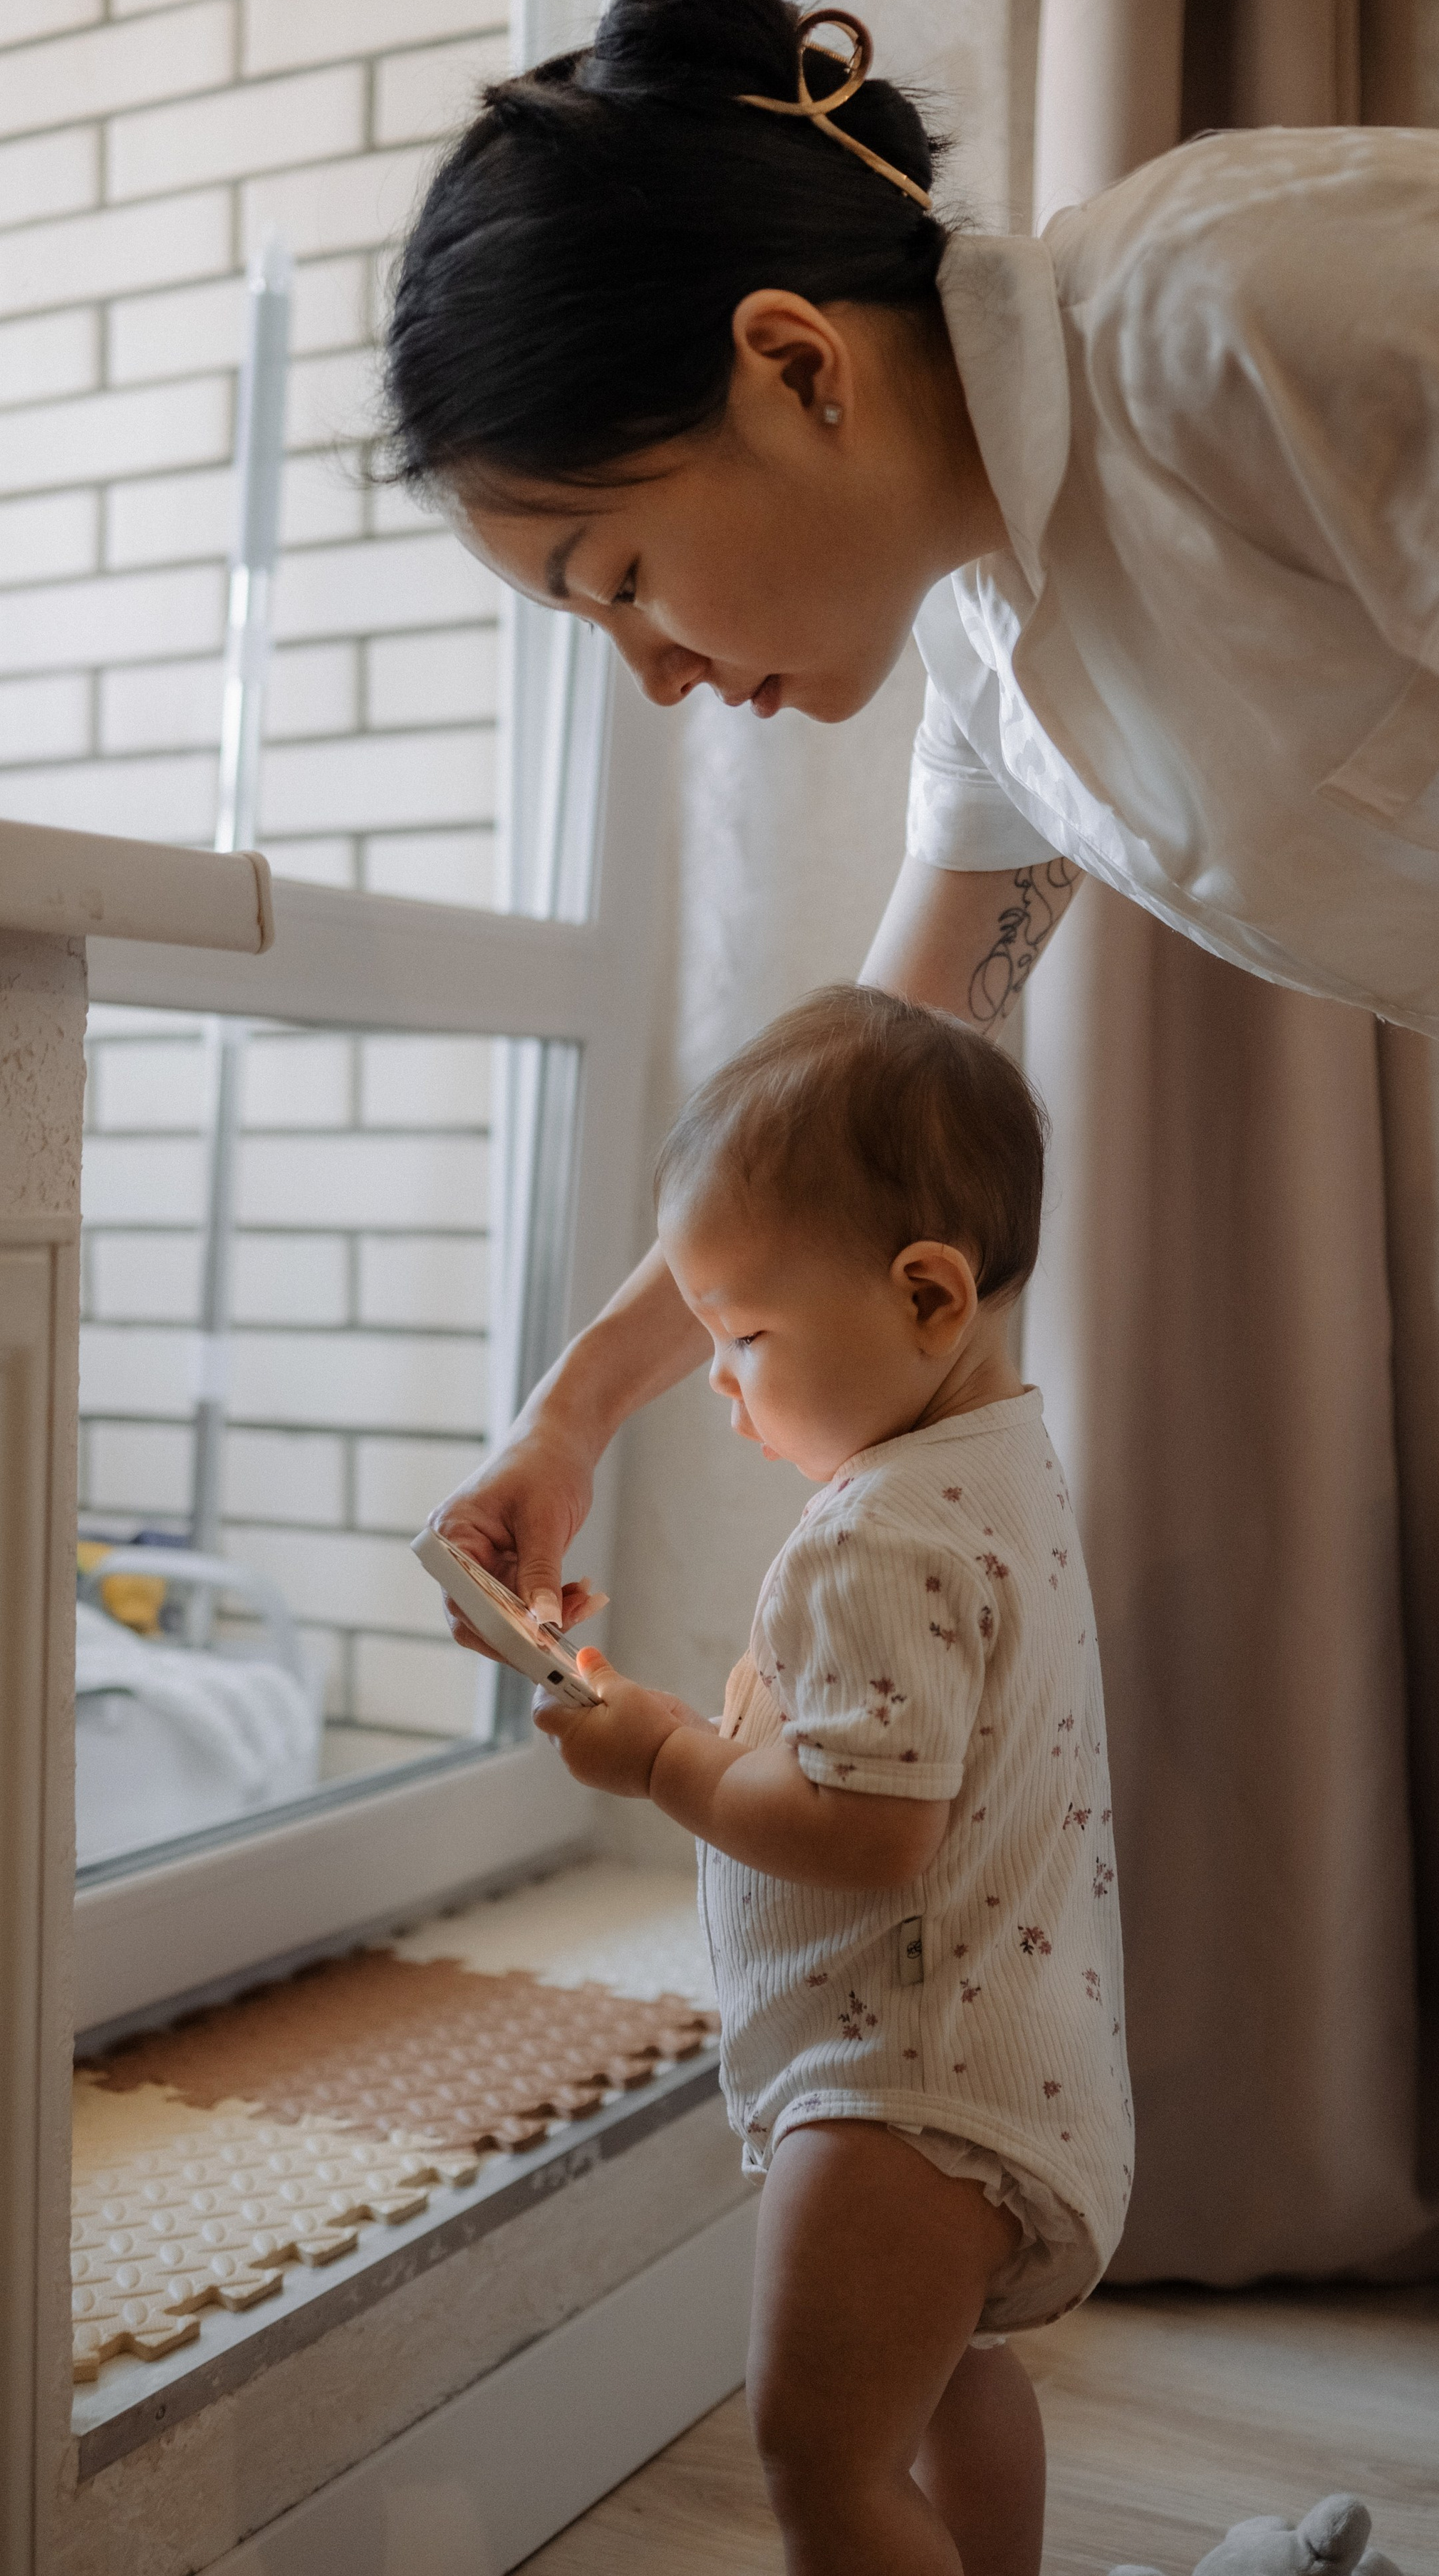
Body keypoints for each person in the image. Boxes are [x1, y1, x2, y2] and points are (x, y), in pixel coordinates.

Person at [380, 0, 1439, 2446]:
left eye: (615, 579)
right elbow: (871, 1090)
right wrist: (589, 1407)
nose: (658, 674)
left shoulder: (1248, 318)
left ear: (789, 364)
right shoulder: (1017, 657)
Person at [538, 985, 1130, 2576]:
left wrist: (661, 1751)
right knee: (951, 2378)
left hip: (899, 2082)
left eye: (739, 1336)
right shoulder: (1000, 1455)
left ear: (927, 1295)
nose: (719, 1385)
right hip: (1005, 2057)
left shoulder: (877, 1530)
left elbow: (868, 1833)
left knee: (819, 2457)